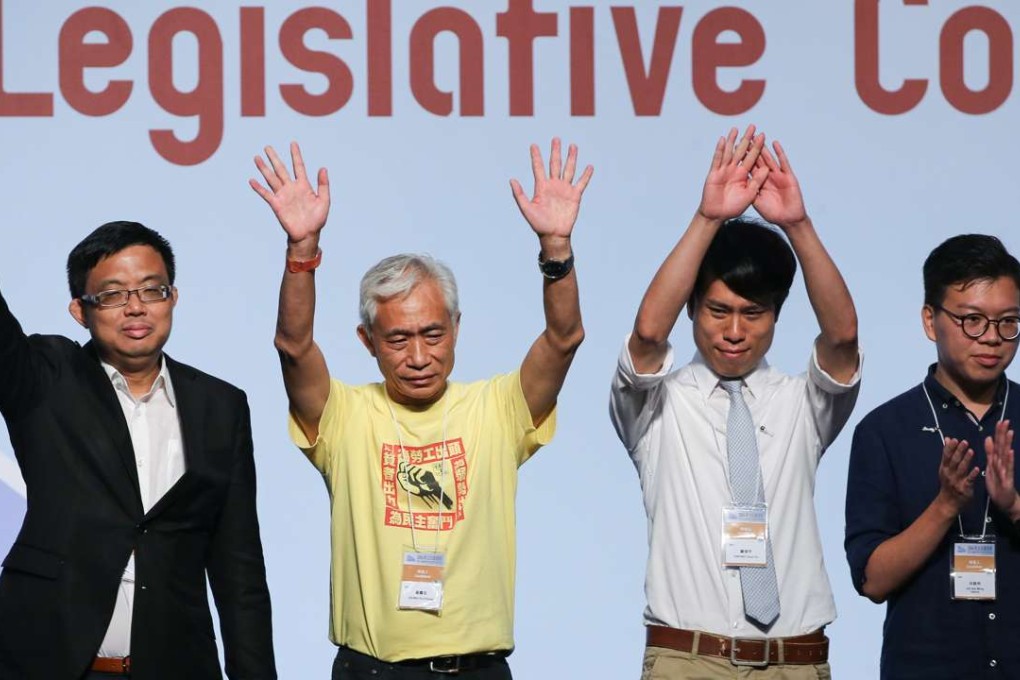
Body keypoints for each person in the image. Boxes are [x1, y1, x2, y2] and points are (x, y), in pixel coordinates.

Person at [249, 139, 592, 678]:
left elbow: (564, 337)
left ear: (456, 328)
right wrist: (302, 252)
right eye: (397, 339)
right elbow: (293, 347)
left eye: (433, 334)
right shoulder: (345, 415)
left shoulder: (496, 407)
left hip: (478, 668)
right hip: (374, 669)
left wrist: (556, 248)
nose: (417, 357)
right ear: (366, 341)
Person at [609, 126, 861, 678]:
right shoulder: (656, 405)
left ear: (775, 317)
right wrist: (707, 220)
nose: (734, 331)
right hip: (688, 658)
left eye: (753, 314)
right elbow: (648, 335)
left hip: (795, 659)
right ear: (692, 309)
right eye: (718, 311)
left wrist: (797, 224)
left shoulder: (802, 403)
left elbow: (842, 340)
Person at [0, 222, 276, 679]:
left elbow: (239, 569)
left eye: (152, 290)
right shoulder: (46, 376)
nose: (135, 308)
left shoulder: (221, 405)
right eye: (112, 295)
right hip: (45, 662)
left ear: (173, 298)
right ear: (79, 310)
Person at [845, 234, 1020, 679]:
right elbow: (873, 581)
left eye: (1008, 323)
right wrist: (944, 507)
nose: (992, 339)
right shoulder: (885, 431)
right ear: (930, 320)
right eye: (972, 321)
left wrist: (1014, 508)